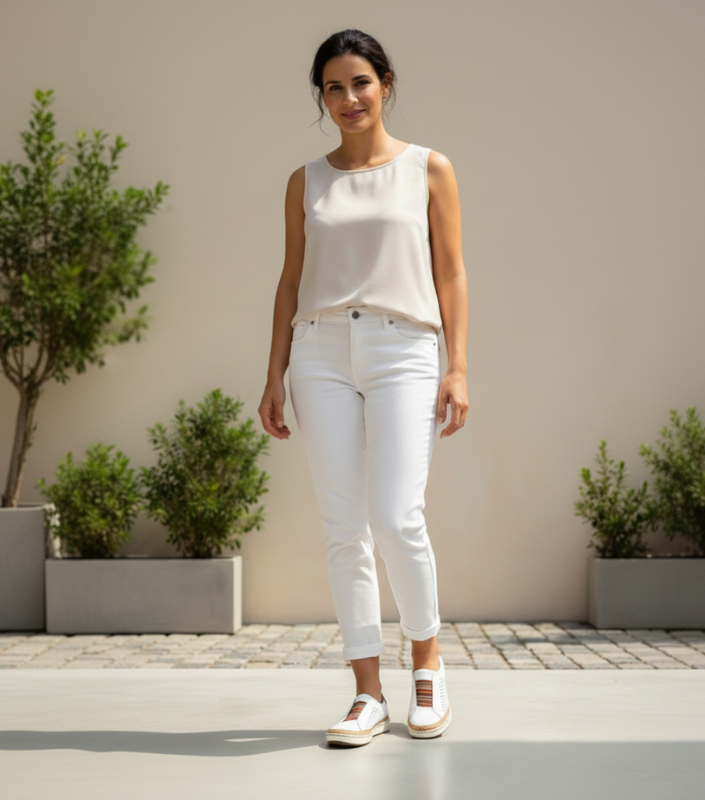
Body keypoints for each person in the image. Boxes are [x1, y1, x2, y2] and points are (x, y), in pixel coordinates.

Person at [258, 28, 469, 747]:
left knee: (396, 516)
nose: (348, 98)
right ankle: (366, 692)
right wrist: (274, 373)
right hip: (318, 352)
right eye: (333, 87)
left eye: (360, 83)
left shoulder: (428, 168)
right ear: (321, 97)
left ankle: (427, 667)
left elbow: (451, 273)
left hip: (403, 347)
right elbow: (290, 280)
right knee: (343, 525)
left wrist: (458, 366)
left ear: (385, 84)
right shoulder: (305, 181)